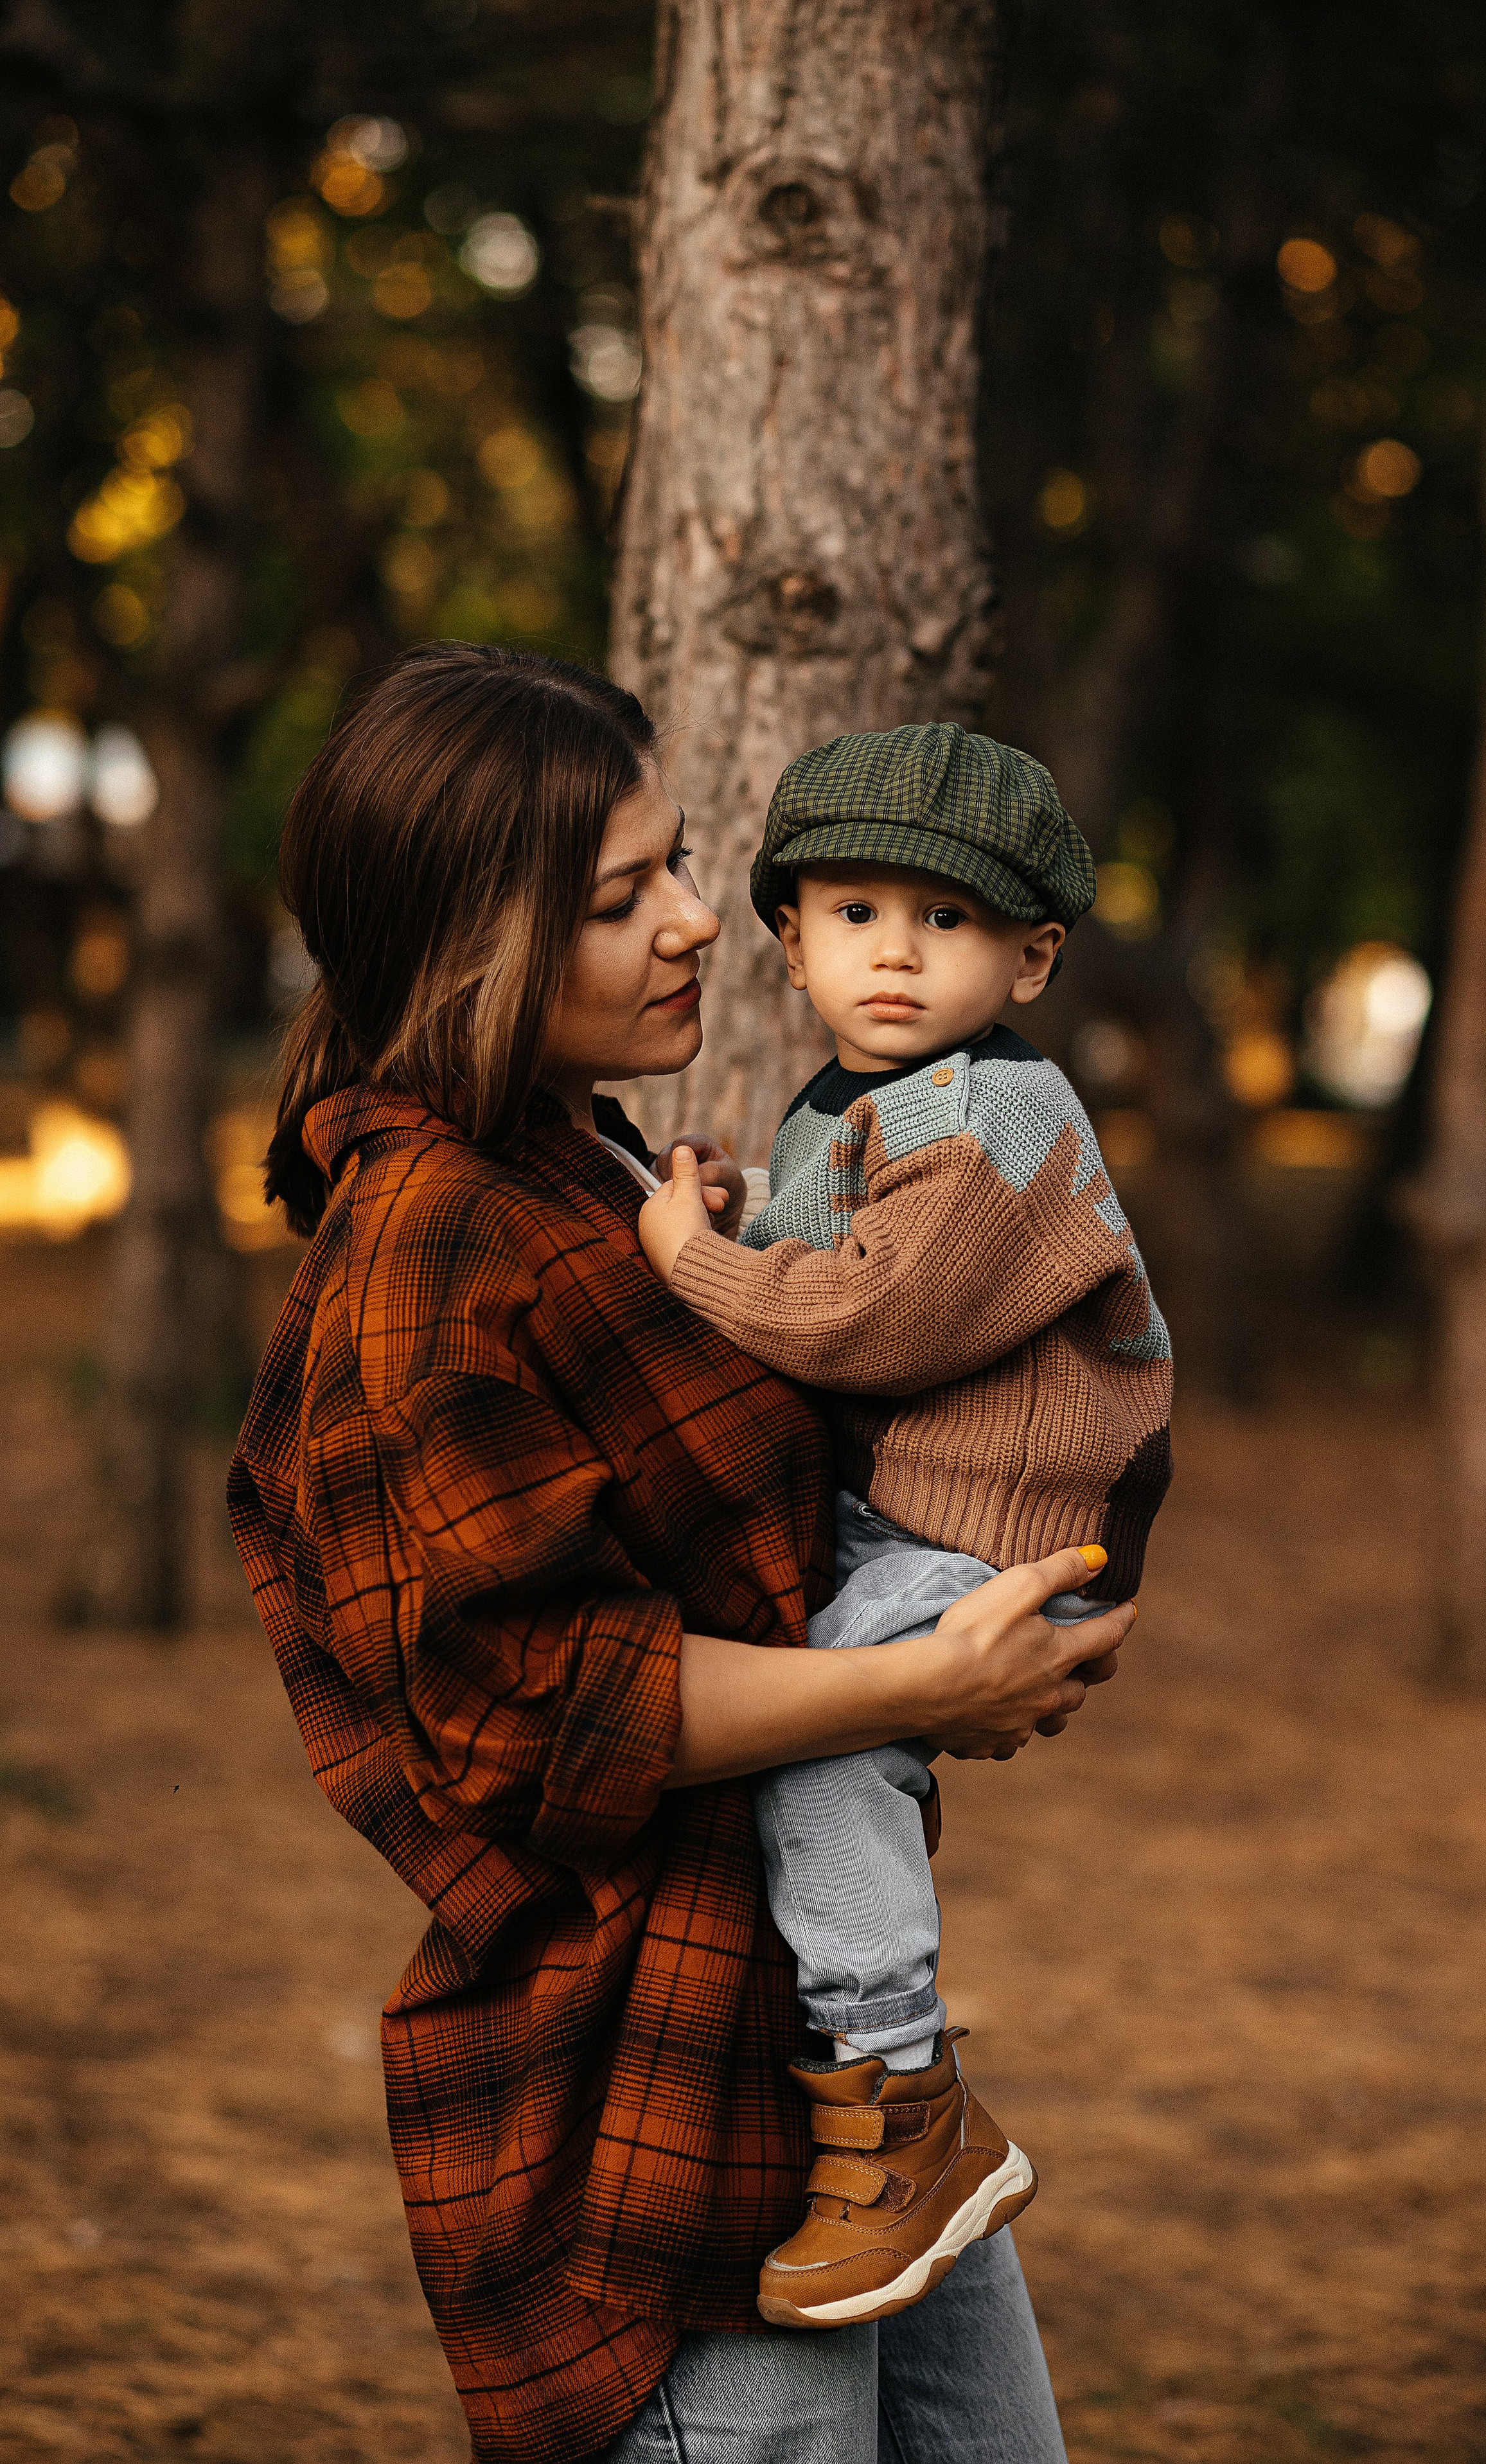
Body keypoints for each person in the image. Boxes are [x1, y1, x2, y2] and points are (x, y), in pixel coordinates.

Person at [227, 645, 1137, 2464]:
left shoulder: (578, 1162)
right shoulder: (433, 1243)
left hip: (839, 2079)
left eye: (686, 861)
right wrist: (925, 1678)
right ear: (471, 940)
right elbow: (537, 1708)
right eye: (622, 893)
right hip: (647, 2103)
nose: (704, 921)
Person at [636, 722, 1173, 2332]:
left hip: (1005, 1529)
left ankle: (895, 2084)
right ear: (787, 937)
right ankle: (892, 2091)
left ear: (1030, 957)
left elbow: (874, 1315)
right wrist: (741, 1222)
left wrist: (685, 1261)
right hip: (922, 1515)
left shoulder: (1002, 1112)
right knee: (825, 1693)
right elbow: (827, 1243)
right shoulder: (858, 1100)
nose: (894, 951)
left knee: (824, 1720)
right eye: (855, 912)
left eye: (946, 922)